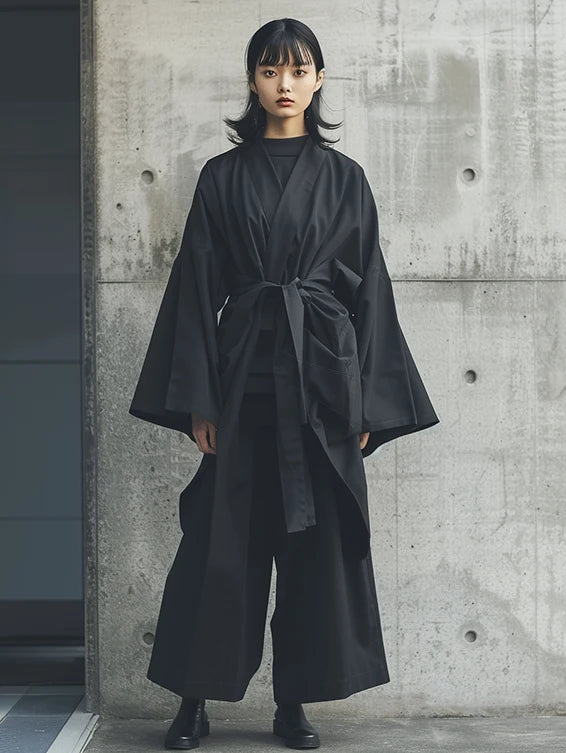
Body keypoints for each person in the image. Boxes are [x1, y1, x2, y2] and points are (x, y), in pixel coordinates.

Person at [129, 18, 438, 750]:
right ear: (254, 81)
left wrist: (367, 401)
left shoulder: (344, 178)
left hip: (323, 381)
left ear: (319, 79)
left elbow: (373, 296)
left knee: (315, 550)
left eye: (299, 70)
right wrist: (198, 399)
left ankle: (294, 703)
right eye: (271, 71)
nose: (285, 84)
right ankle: (193, 702)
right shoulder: (221, 176)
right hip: (242, 378)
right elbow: (195, 286)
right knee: (219, 547)